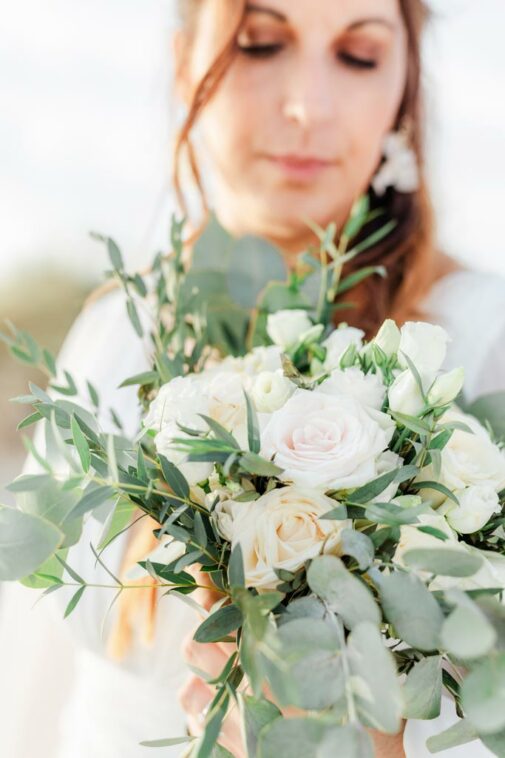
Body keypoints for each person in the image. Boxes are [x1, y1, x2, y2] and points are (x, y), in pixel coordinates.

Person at [0, 0, 504, 756]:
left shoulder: (479, 341)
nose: (307, 106)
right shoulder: (116, 329)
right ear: (184, 63)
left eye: (357, 57)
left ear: (404, 88)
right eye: (261, 44)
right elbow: (52, 678)